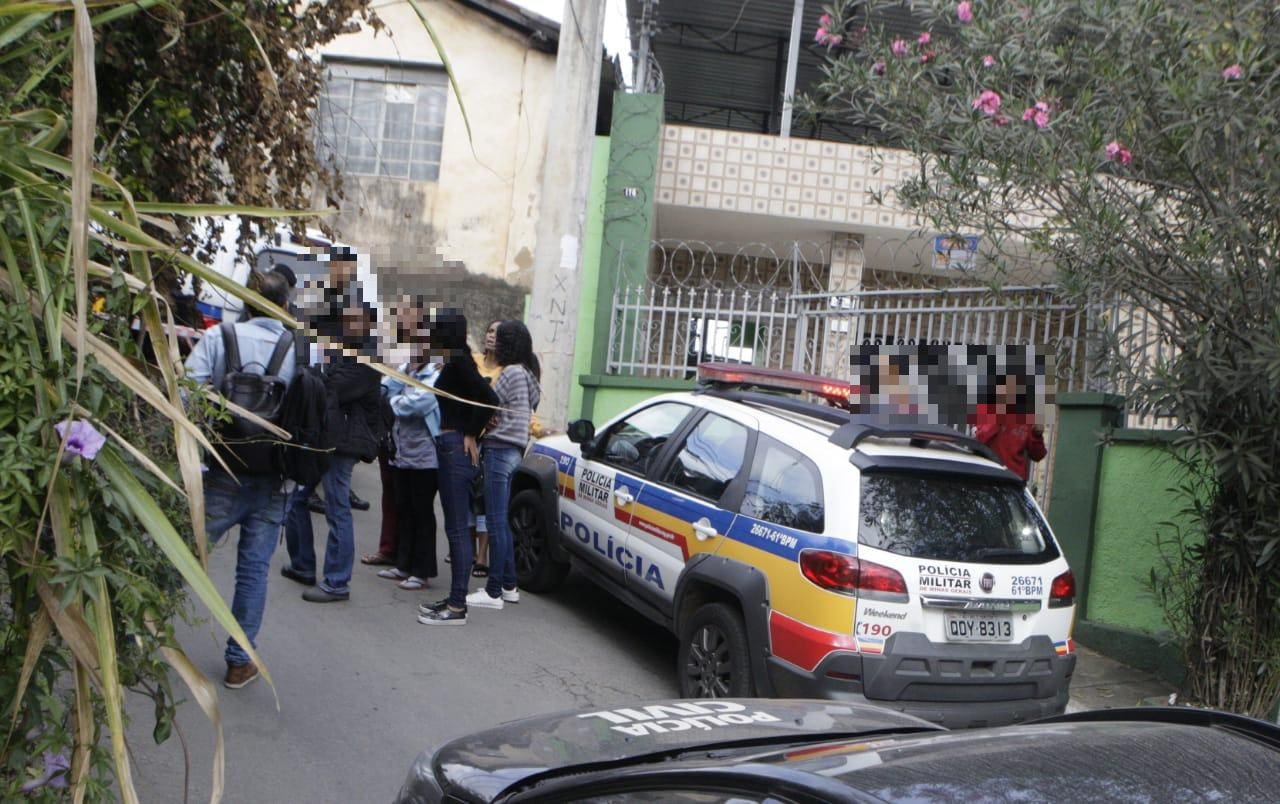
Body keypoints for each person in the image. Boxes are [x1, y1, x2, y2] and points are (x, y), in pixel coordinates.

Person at [184, 270, 298, 689]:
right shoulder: (297, 351)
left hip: (223, 470)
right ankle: (238, 661)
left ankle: (136, 631)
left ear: (245, 302)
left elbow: (186, 394)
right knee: (253, 571)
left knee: (185, 552)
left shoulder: (220, 338)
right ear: (283, 306)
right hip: (276, 480)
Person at [281, 301, 384, 602]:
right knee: (298, 498)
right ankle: (302, 565)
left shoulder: (365, 358)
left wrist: (312, 372)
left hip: (344, 442)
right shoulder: (341, 349)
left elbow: (331, 389)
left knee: (338, 509)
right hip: (327, 437)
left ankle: (337, 581)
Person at [417, 309, 498, 626]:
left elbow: (489, 398)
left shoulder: (460, 362)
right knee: (455, 527)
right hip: (450, 445)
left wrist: (469, 433)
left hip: (455, 448)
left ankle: (456, 606)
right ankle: (454, 599)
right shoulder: (456, 359)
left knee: (457, 530)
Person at [467, 321, 542, 611]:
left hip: (499, 451)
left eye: (500, 338)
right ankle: (510, 585)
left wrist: (486, 418)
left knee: (497, 522)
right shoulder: (526, 373)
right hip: (514, 451)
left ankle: (494, 590)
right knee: (502, 520)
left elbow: (488, 406)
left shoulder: (510, 373)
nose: (494, 341)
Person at [377, 310, 442, 590]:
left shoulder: (435, 374)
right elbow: (384, 388)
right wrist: (398, 393)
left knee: (421, 512)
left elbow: (416, 404)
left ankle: (422, 570)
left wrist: (396, 398)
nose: (416, 349)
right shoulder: (407, 370)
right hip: (402, 451)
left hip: (426, 455)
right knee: (403, 508)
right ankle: (403, 564)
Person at [468, 320, 502, 578]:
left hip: (488, 440)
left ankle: (482, 557)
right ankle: (466, 549)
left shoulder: (508, 370)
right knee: (465, 496)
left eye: (498, 334)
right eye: (490, 331)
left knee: (484, 500)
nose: (492, 336)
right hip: (465, 435)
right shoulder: (472, 361)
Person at [974, 372, 1047, 482]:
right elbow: (980, 440)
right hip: (987, 475)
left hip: (1014, 480)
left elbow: (1038, 455)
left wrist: (1037, 435)